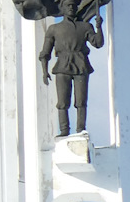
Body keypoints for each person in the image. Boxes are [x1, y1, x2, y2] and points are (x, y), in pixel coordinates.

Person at [40, 7, 105, 137]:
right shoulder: (54, 29)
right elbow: (45, 52)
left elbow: (98, 43)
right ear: (62, 9)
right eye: (67, 5)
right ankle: (64, 129)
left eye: (72, 5)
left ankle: (81, 129)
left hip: (81, 64)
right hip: (62, 65)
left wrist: (99, 27)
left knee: (81, 100)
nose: (70, 8)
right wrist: (44, 71)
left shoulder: (85, 26)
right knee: (62, 101)